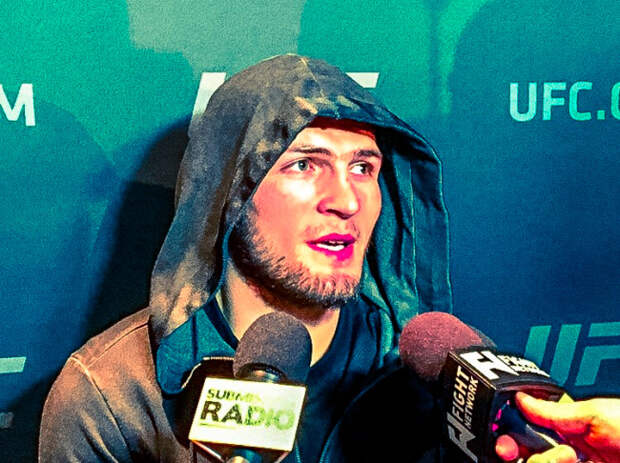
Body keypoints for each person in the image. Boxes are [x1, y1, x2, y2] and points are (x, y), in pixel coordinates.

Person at [39, 55, 617, 462]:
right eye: (304, 164)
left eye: (363, 167)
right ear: (230, 194)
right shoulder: (111, 396)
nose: (346, 200)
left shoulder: (437, 375)